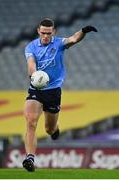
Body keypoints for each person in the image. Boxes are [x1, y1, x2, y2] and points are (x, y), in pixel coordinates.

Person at [22, 18, 97, 172]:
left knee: (49, 129)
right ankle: (30, 157)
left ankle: (55, 130)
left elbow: (74, 39)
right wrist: (35, 76)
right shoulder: (31, 47)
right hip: (36, 88)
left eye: (48, 33)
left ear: (53, 32)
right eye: (43, 33)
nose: (45, 36)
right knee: (31, 122)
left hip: (53, 91)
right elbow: (31, 65)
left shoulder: (58, 43)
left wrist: (83, 31)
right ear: (38, 31)